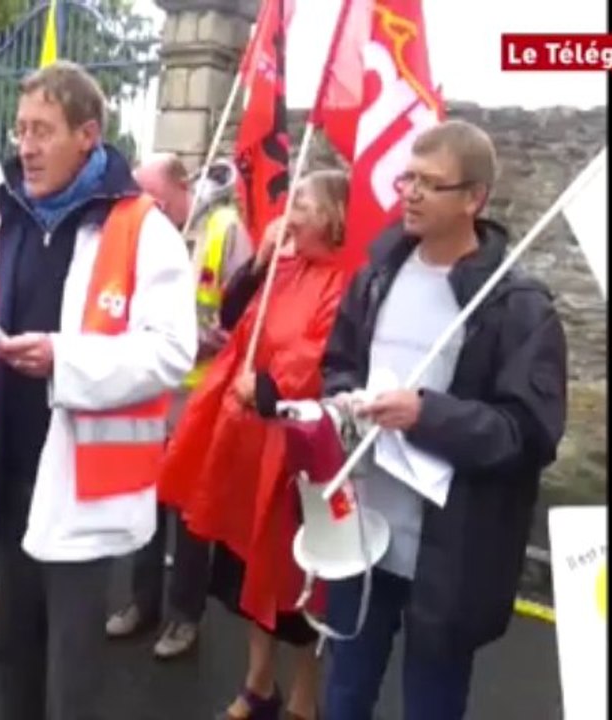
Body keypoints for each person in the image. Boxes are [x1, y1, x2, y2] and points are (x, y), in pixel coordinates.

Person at [0, 61, 197, 719]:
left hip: (85, 486)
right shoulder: (8, 218)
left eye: (42, 130)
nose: (25, 144)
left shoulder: (143, 227)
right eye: (21, 129)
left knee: (70, 672)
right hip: (9, 469)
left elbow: (170, 353)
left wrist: (63, 360)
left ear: (87, 134)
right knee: (11, 652)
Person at [309, 120, 568, 720]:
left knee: (432, 704)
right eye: (408, 178)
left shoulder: (518, 305)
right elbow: (340, 363)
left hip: (450, 554)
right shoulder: (377, 275)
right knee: (344, 695)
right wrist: (345, 401)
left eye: (430, 183)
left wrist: (426, 414)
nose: (411, 193)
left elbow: (527, 433)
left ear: (473, 199)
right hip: (363, 532)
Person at [159, 170, 354, 720]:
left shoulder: (342, 282)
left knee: (296, 584)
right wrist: (262, 260)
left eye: (304, 205)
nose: (290, 215)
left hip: (296, 453)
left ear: (334, 217)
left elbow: (322, 353)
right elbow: (233, 314)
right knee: (245, 571)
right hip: (247, 445)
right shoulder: (282, 268)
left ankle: (303, 696)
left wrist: (271, 387)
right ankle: (258, 684)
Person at [105, 154, 252, 660]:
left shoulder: (227, 229)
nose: (149, 205)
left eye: (156, 196)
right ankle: (142, 603)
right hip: (153, 394)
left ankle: (184, 618)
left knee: (191, 515)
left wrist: (216, 338)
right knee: (146, 505)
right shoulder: (146, 231)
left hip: (201, 399)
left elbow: (246, 318)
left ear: (179, 186)